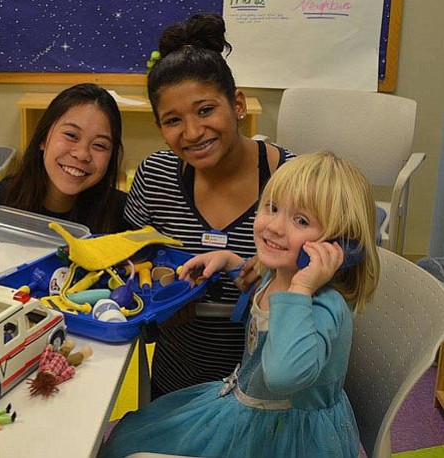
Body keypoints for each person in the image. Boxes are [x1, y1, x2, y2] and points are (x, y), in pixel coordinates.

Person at [101, 151, 380, 457]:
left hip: (286, 439)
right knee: (126, 439)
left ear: (340, 245)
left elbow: (282, 375)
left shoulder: (323, 307)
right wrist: (232, 262)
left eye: (300, 220)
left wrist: (301, 289)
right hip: (247, 407)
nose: (274, 226)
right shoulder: (278, 272)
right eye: (272, 208)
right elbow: (261, 294)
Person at [124, 12, 295, 398]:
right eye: (173, 120)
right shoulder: (155, 175)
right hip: (176, 386)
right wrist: (159, 297)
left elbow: (346, 273)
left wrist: (280, 272)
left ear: (236, 104)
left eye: (205, 110)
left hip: (266, 392)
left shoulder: (293, 181)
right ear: (159, 126)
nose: (193, 132)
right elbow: (131, 263)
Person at [0, 83, 131, 234]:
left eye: (99, 145)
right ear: (43, 138)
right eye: (71, 135)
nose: (82, 154)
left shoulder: (125, 215)